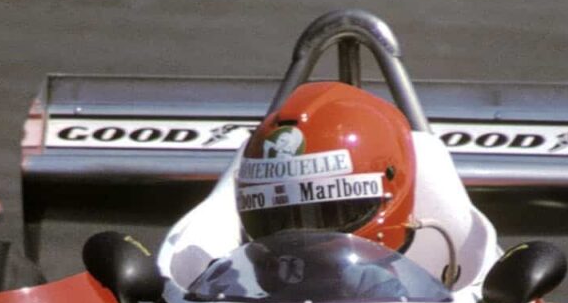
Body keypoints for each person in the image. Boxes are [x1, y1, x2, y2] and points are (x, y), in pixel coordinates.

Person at [157, 80, 500, 290]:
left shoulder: (414, 284)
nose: (303, 237)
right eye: (279, 219)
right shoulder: (228, 284)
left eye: (329, 212)